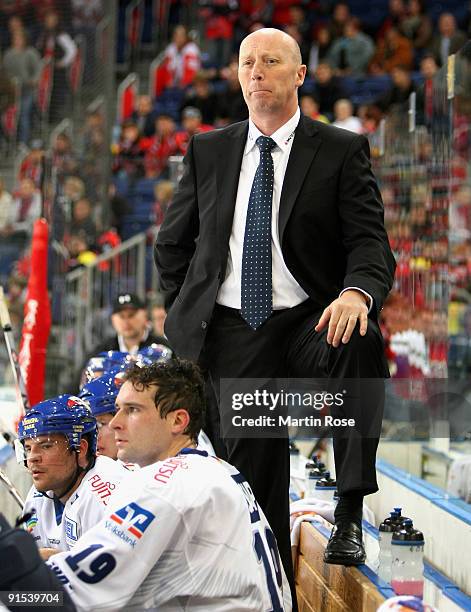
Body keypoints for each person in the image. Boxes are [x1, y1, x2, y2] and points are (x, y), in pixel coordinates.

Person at [155, 27, 395, 597]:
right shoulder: (208, 149)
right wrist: (189, 314)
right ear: (238, 76)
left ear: (299, 75)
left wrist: (357, 293)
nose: (256, 70)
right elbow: (173, 245)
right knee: (256, 494)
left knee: (357, 337)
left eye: (270, 60)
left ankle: (350, 509)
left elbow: (370, 243)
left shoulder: (338, 148)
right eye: (246, 62)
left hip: (312, 317)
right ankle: (270, 597)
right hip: (237, 327)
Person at [46, 360, 292, 611]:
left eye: (132, 410)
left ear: (177, 421)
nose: (114, 423)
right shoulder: (221, 469)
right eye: (117, 409)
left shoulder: (165, 483)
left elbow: (78, 592)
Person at [18, 394, 127, 558]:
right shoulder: (37, 495)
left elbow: (113, 578)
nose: (32, 457)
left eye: (46, 446)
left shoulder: (107, 495)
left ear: (81, 450)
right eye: (28, 448)